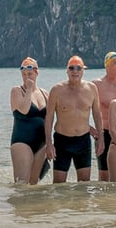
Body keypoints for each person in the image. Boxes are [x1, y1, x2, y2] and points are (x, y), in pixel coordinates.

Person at [44, 55, 104, 183]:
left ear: (83, 70)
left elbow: (97, 114)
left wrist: (101, 139)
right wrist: (48, 144)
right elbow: (49, 118)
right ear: (67, 70)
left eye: (78, 68)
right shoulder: (57, 90)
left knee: (84, 184)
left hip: (83, 141)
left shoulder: (91, 88)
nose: (75, 71)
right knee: (59, 184)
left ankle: (80, 205)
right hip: (62, 141)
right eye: (71, 68)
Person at [10, 56, 50, 184]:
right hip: (22, 141)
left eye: (30, 73)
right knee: (21, 184)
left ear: (36, 72)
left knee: (34, 185)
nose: (27, 77)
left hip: (41, 143)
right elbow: (24, 110)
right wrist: (28, 90)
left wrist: (50, 142)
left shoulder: (45, 93)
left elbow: (51, 118)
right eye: (24, 74)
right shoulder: (17, 91)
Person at [93, 51, 116, 181]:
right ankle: (103, 202)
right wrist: (91, 130)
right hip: (104, 133)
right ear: (107, 65)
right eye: (115, 63)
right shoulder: (97, 84)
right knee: (104, 176)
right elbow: (81, 108)